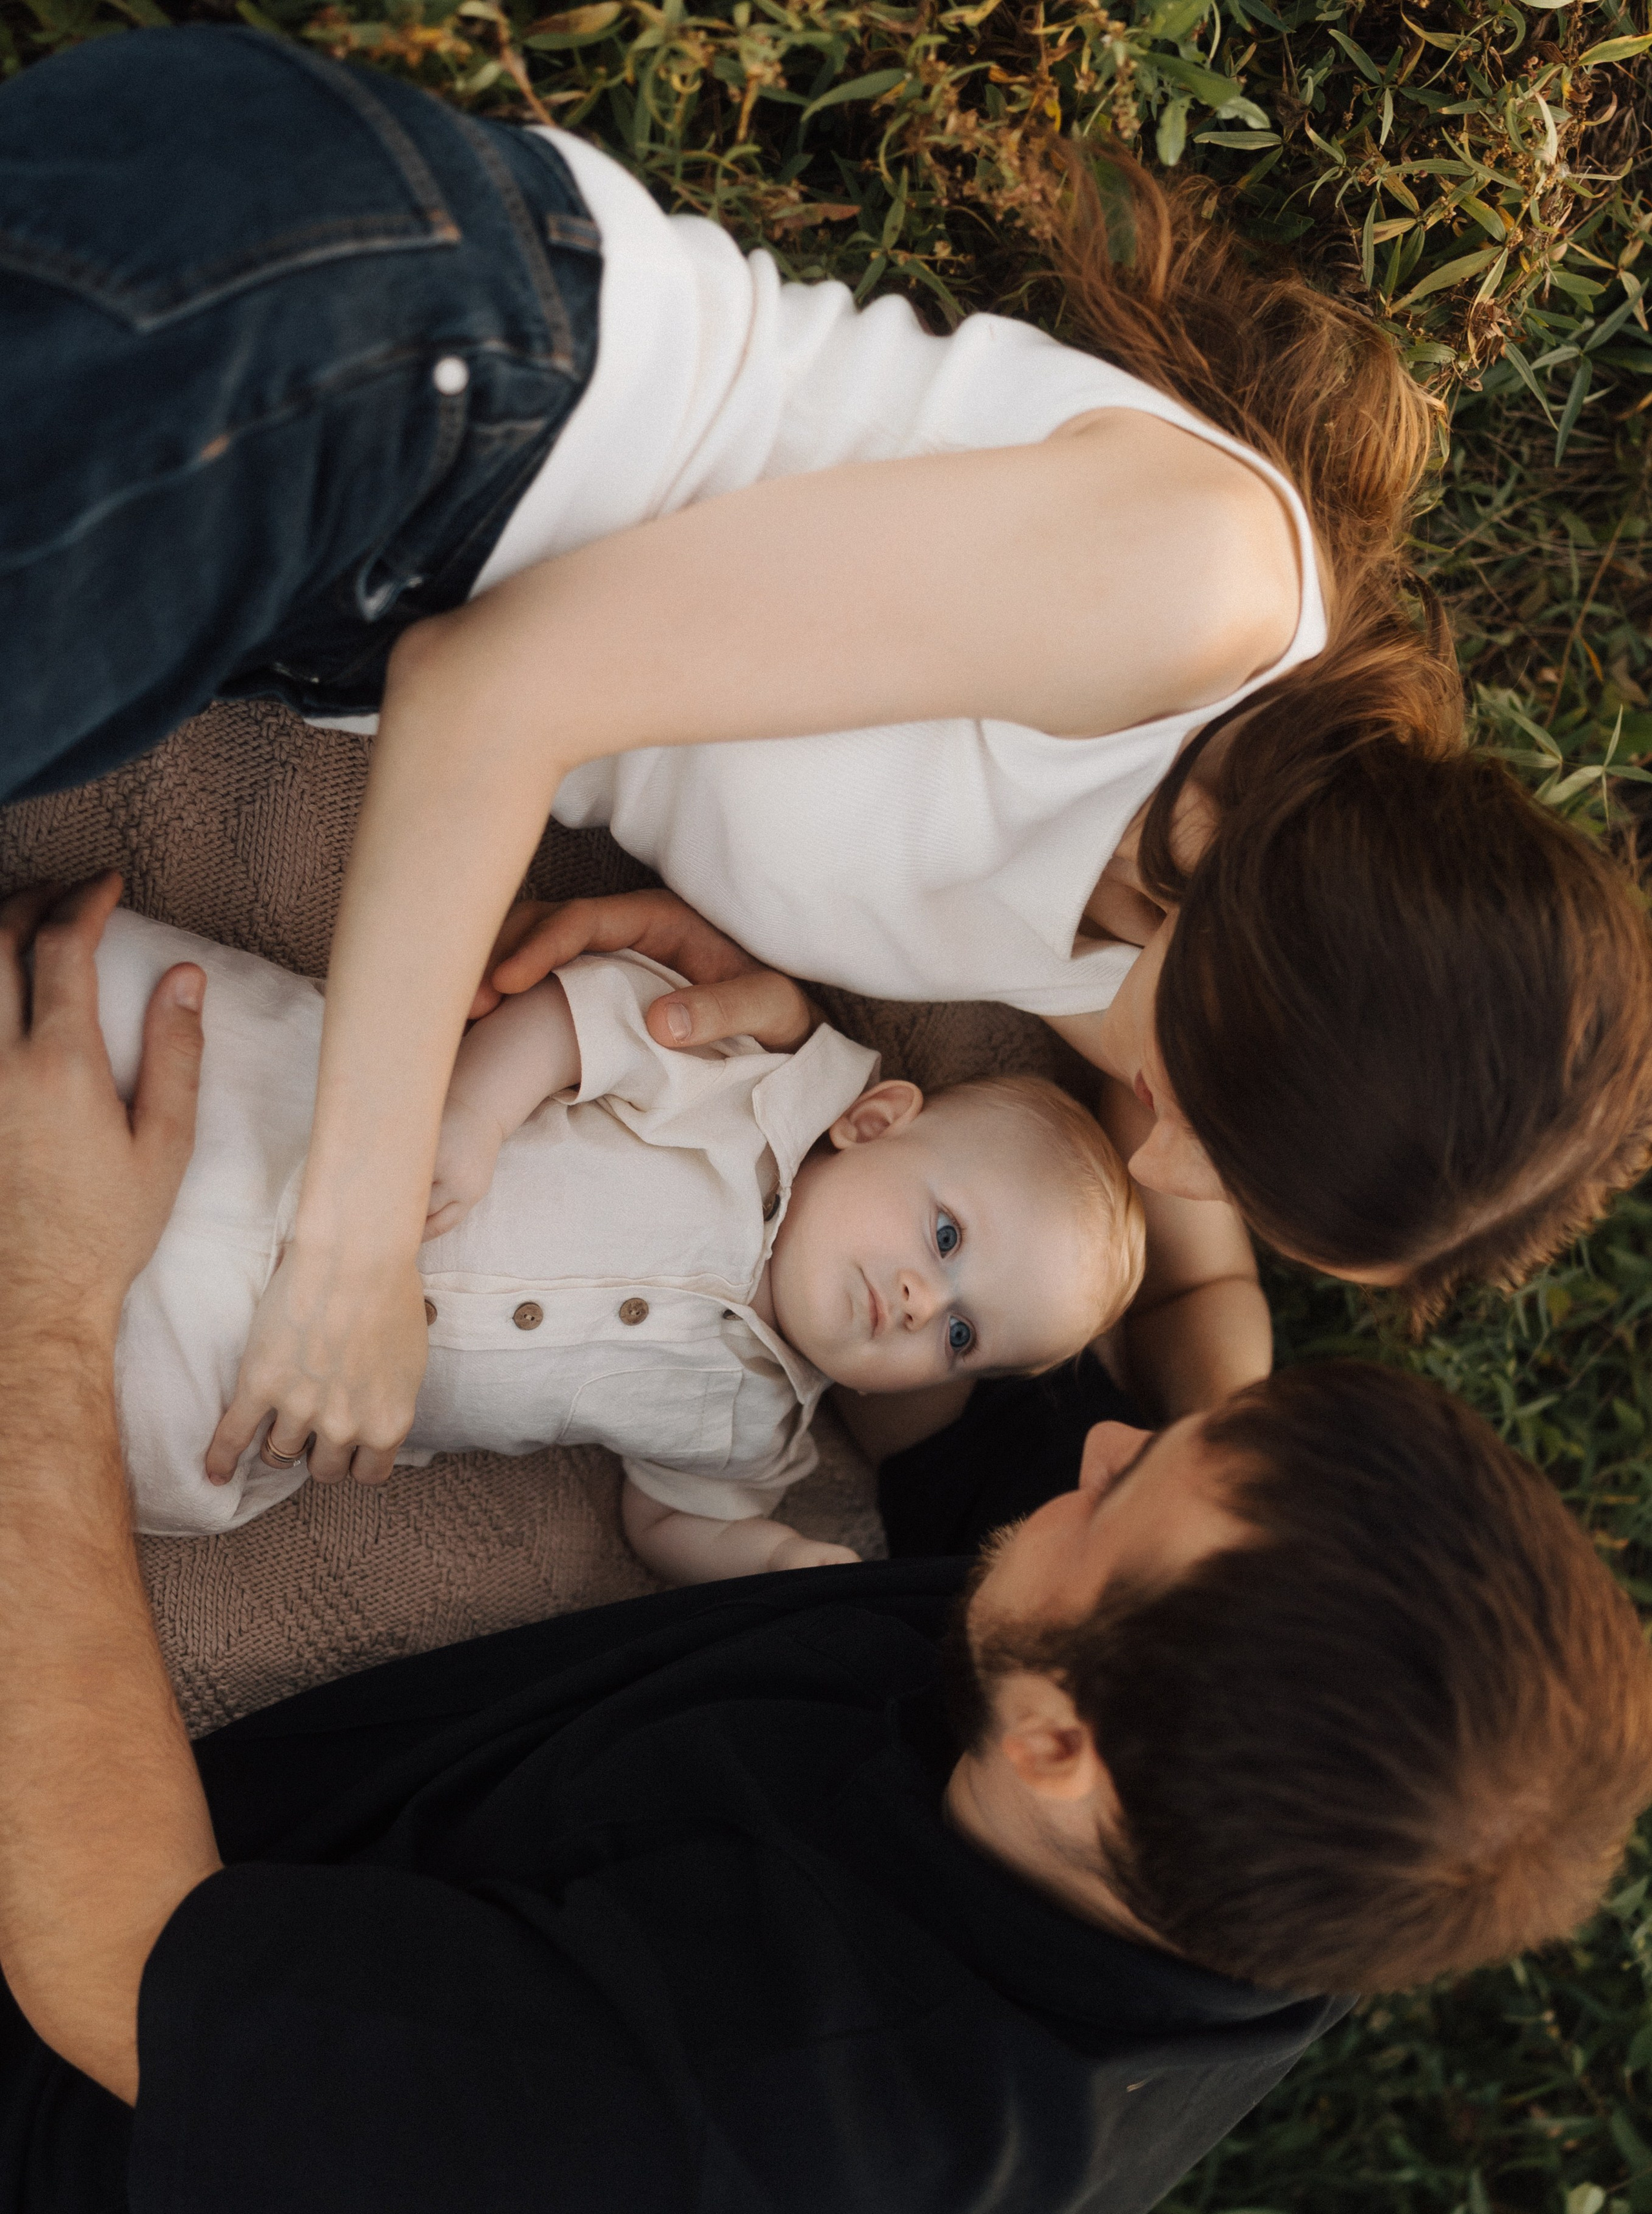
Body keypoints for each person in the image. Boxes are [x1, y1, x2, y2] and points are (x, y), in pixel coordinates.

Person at [4, 881, 1651, 2214]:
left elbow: (113, 1951)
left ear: (1055, 1745)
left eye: (1115, 1496)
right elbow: (974, 1352)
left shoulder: (742, 2171)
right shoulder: (1279, 1798)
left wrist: (53, 1307)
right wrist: (769, 1067)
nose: (1087, 1440)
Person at [8, 26, 1652, 1490]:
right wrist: (353, 1251)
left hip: (311, 612)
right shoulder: (1195, 595)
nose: (1158, 1159)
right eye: (1223, 1134)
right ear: (1278, 982)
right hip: (393, 370)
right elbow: (492, 688)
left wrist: (1217, 1457)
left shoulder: (1132, 941)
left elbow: (1187, 1259)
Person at [91, 894, 1143, 1567]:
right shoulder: (749, 1101)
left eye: (960, 1338)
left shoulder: (761, 1432)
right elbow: (581, 1015)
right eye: (947, 1239)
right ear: (874, 1124)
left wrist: (769, 1562)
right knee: (142, 1032)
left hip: (261, 1375)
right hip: (297, 1126)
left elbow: (663, 1522)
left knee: (135, 1443)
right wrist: (475, 1113)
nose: (923, 1302)